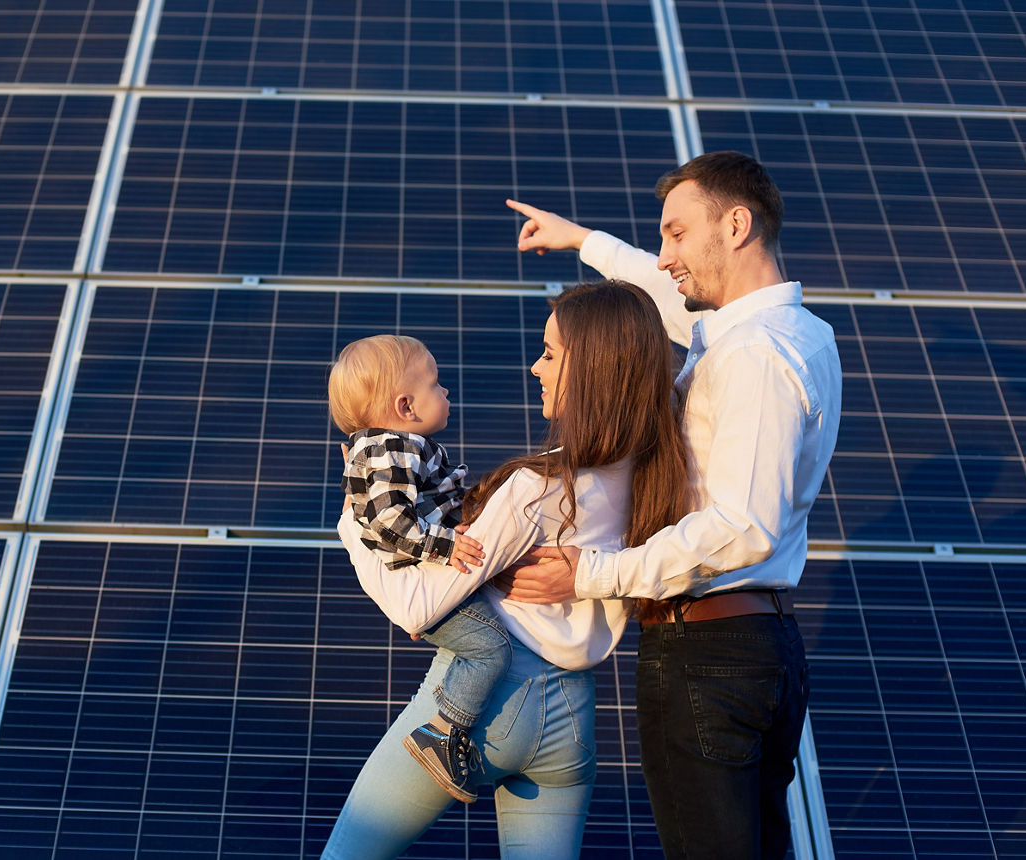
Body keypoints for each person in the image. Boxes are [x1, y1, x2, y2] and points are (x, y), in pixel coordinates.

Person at [504, 150, 843, 859]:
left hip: (706, 651)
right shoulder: (790, 336)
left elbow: (741, 528)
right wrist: (587, 244)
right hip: (757, 649)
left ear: (738, 225)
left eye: (677, 234)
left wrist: (591, 573)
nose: (664, 257)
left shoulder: (753, 357)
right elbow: (667, 305)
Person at [321, 280, 691, 860]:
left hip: (488, 704)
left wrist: (351, 517)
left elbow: (417, 607)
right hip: (572, 717)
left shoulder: (537, 489)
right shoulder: (656, 478)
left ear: (592, 369)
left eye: (550, 353)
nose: (535, 366)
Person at [327, 334, 504, 803]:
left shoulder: (386, 448)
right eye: (437, 385)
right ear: (405, 406)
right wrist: (444, 546)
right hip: (423, 570)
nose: (446, 393)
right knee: (490, 649)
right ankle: (445, 732)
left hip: (425, 572)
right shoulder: (395, 448)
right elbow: (389, 521)